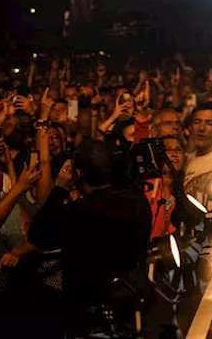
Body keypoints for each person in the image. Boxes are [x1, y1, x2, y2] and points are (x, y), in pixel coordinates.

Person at [27, 140, 153, 336]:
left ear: (78, 174)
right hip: (132, 302)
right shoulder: (138, 201)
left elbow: (38, 235)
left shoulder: (79, 212)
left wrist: (59, 188)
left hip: (90, 316)